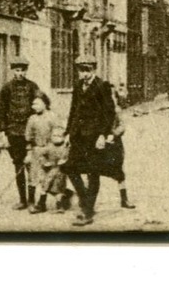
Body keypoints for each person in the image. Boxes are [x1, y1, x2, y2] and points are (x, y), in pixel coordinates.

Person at [62, 55, 119, 227]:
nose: (84, 74)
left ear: (93, 70)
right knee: (70, 168)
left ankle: (87, 212)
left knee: (93, 172)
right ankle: (86, 198)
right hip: (78, 135)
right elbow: (74, 110)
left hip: (94, 137)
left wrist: (103, 135)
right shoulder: (78, 85)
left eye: (87, 70)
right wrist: (67, 134)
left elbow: (109, 113)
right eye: (81, 70)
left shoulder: (102, 86)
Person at [0, 57, 42, 208]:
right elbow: (1, 111)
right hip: (13, 132)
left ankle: (32, 200)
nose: (20, 73)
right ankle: (22, 199)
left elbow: (43, 104)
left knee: (32, 166)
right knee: (18, 165)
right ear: (13, 71)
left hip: (30, 132)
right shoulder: (6, 88)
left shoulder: (33, 86)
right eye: (17, 70)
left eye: (22, 70)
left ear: (26, 70)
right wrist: (3, 133)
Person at [30, 128, 70, 213]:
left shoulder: (65, 147)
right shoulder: (49, 146)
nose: (56, 138)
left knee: (57, 189)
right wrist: (44, 161)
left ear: (64, 137)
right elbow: (41, 154)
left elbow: (67, 158)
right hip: (49, 170)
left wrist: (64, 161)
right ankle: (41, 204)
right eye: (54, 135)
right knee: (44, 186)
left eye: (59, 136)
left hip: (60, 171)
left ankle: (60, 205)